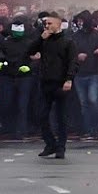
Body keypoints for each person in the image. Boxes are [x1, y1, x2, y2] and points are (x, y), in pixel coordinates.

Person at [28, 12, 78, 159]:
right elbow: (29, 51)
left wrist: (69, 79)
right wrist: (40, 39)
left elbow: (73, 62)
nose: (47, 26)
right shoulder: (44, 40)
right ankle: (50, 143)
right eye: (46, 24)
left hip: (61, 83)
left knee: (61, 116)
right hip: (45, 82)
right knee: (42, 115)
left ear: (58, 23)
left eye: (50, 23)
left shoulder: (68, 42)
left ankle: (61, 147)